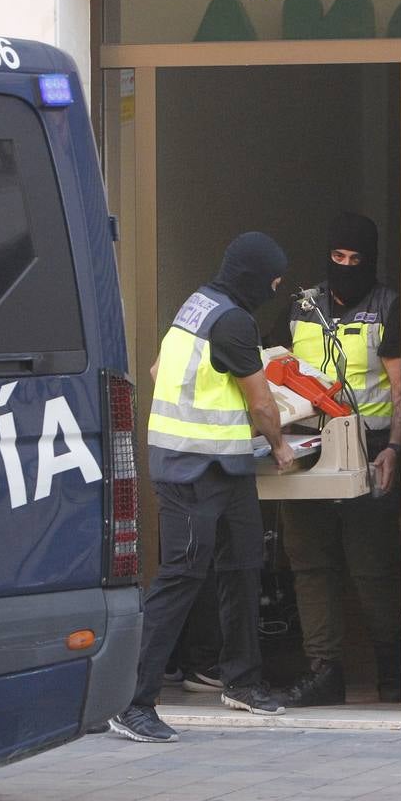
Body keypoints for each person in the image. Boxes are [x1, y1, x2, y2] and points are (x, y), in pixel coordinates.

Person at [109, 231, 295, 743]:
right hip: (190, 471)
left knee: (242, 566)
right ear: (255, 277)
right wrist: (280, 446)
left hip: (223, 466)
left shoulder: (199, 304)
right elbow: (261, 404)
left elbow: (157, 368)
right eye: (273, 280)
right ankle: (132, 702)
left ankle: (242, 681)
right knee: (181, 578)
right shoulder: (234, 320)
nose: (276, 288)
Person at [278, 211, 401, 706]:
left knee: (371, 566)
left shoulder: (389, 305)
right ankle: (324, 669)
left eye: (356, 259)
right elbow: (271, 371)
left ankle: (393, 668)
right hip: (307, 448)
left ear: (370, 260)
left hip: (369, 448)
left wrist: (396, 447)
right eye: (337, 258)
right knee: (309, 562)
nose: (346, 266)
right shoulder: (300, 306)